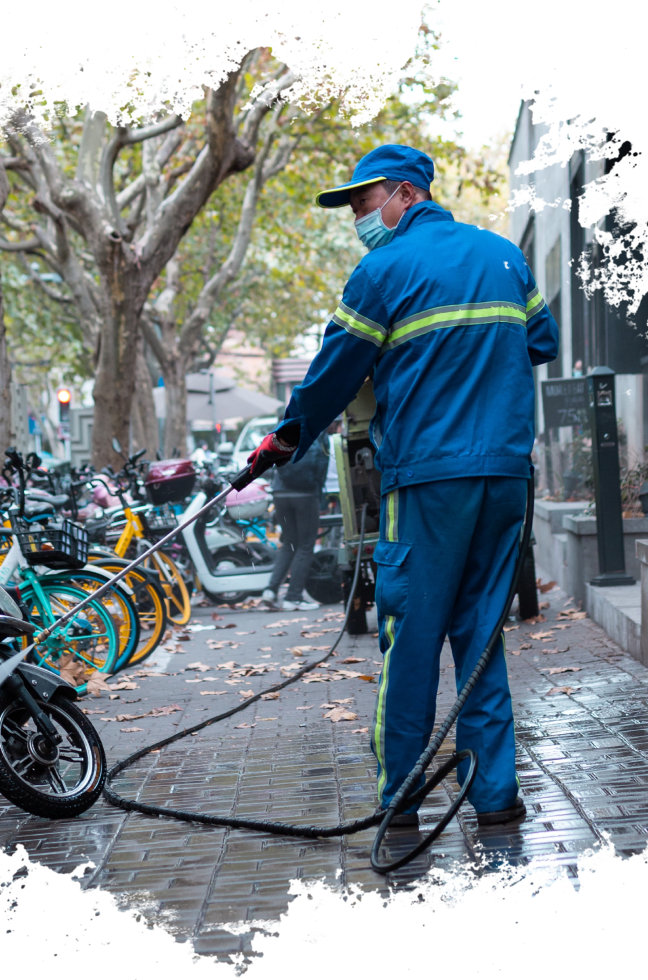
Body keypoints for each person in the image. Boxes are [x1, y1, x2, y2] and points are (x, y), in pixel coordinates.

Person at [245, 145, 559, 828]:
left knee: (412, 634)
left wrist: (286, 437)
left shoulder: (381, 270)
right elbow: (543, 340)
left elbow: (334, 373)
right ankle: (496, 796)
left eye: (363, 203)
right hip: (506, 476)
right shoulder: (503, 255)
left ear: (405, 194)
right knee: (482, 635)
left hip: (427, 481)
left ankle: (403, 798)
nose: (359, 218)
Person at [262, 428, 330, 611]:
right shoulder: (318, 432)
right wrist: (319, 493)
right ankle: (293, 597)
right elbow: (322, 466)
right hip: (305, 495)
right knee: (306, 544)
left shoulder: (286, 425)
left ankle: (270, 590)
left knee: (289, 541)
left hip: (280, 493)